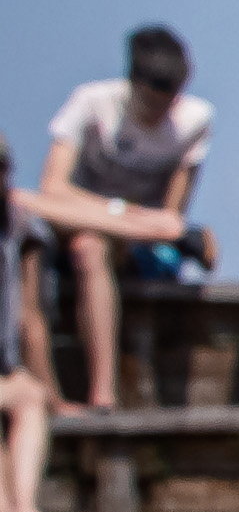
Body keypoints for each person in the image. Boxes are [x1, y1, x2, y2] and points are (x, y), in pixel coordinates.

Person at [35, 26, 214, 411]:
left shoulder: (195, 120)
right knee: (86, 244)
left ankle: (105, 394)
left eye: (170, 101)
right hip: (79, 229)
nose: (161, 112)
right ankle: (103, 391)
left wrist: (148, 228)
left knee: (96, 243)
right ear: (132, 82)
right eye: (151, 102)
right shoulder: (92, 103)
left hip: (139, 246)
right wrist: (124, 215)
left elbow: (171, 215)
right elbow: (53, 188)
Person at [0, 151, 54, 512]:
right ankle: (2, 511)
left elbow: (29, 317)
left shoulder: (17, 225)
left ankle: (24, 508)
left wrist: (51, 388)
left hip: (4, 367)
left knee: (31, 397)